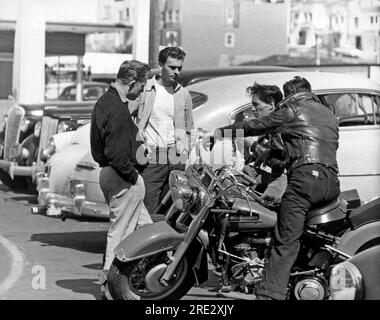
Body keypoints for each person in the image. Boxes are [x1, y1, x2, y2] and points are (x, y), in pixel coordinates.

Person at [208, 76, 341, 300]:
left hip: (305, 180)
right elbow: (295, 149)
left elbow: (255, 125)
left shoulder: (293, 109)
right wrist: (268, 155)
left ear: (289, 95)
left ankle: (270, 294)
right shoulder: (328, 113)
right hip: (331, 181)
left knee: (285, 240)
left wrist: (223, 131)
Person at [90, 60, 152, 299]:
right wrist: (133, 175)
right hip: (122, 176)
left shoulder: (107, 101)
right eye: (142, 85)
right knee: (120, 233)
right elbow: (116, 154)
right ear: (133, 82)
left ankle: (131, 281)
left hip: (113, 174)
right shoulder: (115, 107)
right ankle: (110, 287)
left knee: (144, 229)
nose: (142, 90)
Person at [137, 46, 194, 215]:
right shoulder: (146, 89)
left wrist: (185, 150)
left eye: (179, 68)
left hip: (176, 156)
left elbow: (189, 127)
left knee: (172, 208)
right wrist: (139, 146)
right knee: (148, 206)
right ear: (161, 65)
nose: (176, 72)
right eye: (172, 67)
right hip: (153, 155)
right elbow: (131, 119)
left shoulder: (183, 94)